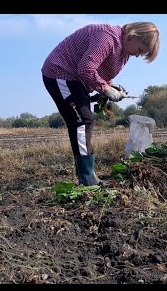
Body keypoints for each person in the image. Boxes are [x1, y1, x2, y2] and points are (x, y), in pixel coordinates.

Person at [41, 22, 160, 186]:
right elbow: (86, 69)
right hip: (60, 72)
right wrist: (105, 88)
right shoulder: (107, 37)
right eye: (140, 50)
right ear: (134, 36)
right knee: (81, 121)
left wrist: (109, 85)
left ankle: (86, 174)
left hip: (77, 79)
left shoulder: (124, 52)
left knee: (83, 120)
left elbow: (101, 68)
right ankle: (87, 177)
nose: (138, 55)